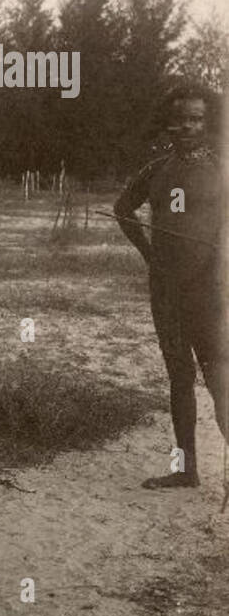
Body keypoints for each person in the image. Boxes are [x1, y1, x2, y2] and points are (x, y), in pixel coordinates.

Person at [114, 82, 227, 489]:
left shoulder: (221, 168)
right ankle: (185, 468)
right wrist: (149, 254)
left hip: (210, 293)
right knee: (179, 380)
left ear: (207, 121)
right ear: (168, 125)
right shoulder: (156, 170)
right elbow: (122, 209)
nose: (187, 127)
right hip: (166, 293)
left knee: (219, 380)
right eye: (179, 121)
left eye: (196, 119)